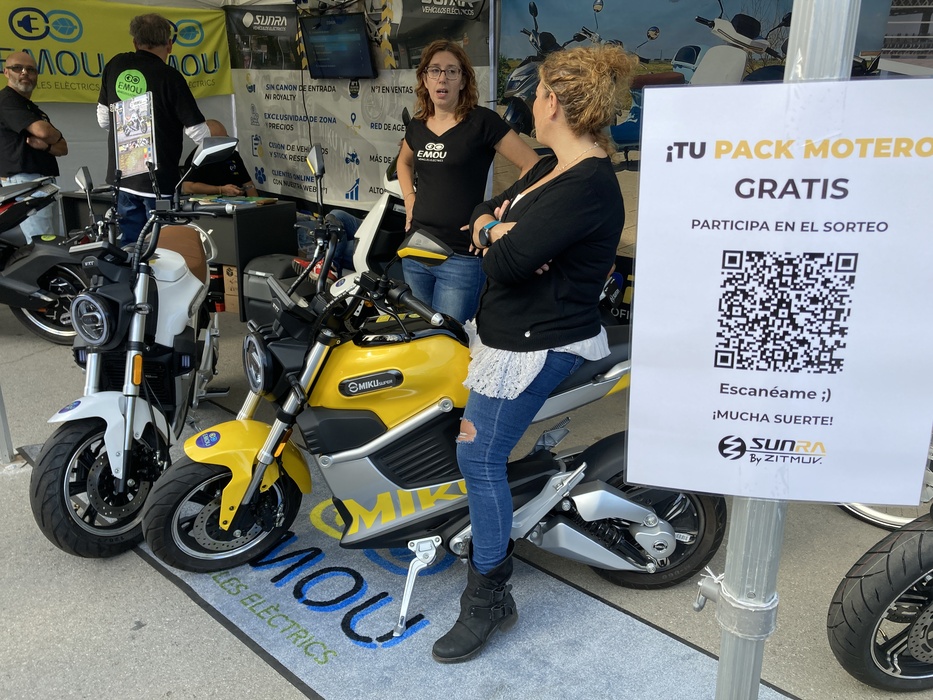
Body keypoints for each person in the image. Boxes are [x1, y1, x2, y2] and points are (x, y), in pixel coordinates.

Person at [431, 43, 637, 664]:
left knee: (479, 457)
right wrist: (496, 228)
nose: (532, 101)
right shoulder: (548, 166)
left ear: (554, 103)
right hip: (506, 335)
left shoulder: (588, 185)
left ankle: (490, 595)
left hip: (540, 342)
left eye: (539, 91)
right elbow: (481, 217)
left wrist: (500, 240)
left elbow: (509, 263)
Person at [397, 39, 539, 323]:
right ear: (424, 79)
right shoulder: (417, 125)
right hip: (416, 252)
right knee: (418, 338)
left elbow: (532, 165)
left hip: (461, 258)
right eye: (434, 70)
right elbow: (403, 162)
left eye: (452, 71)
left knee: (450, 341)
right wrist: (410, 198)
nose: (442, 78)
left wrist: (497, 215)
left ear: (463, 80)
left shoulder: (482, 122)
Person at [97, 13, 209, 244]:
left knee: (130, 247)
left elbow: (104, 120)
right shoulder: (170, 77)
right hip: (158, 182)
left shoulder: (115, 64)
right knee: (162, 248)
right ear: (169, 44)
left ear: (135, 42)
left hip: (122, 177)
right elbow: (200, 133)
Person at [0, 52, 68, 239]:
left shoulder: (32, 108)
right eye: (18, 68)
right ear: (6, 72)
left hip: (44, 181)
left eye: (30, 69)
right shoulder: (7, 100)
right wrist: (52, 135)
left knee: (51, 240)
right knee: (41, 243)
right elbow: (43, 132)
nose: (25, 73)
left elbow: (63, 148)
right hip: (25, 182)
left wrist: (47, 146)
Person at [181, 119, 257, 197]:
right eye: (219, 140)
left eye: (226, 138)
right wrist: (220, 190)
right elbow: (188, 187)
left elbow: (248, 184)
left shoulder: (233, 154)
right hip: (212, 202)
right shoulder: (197, 157)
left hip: (239, 200)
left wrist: (255, 202)